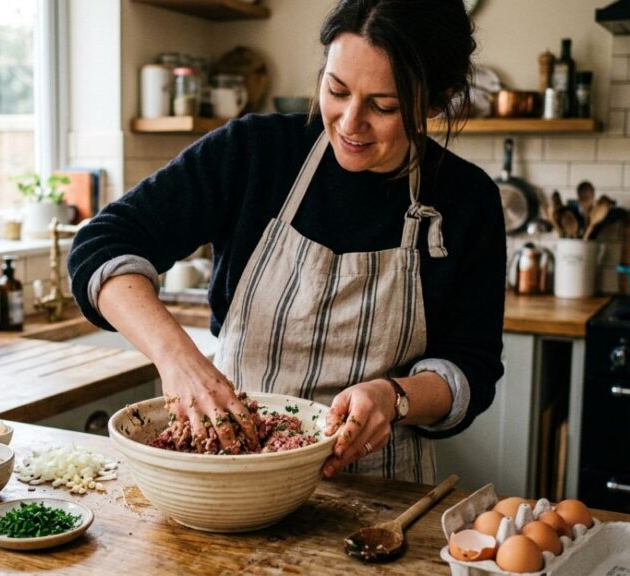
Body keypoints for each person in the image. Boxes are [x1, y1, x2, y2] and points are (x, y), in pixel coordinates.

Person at [69, 0, 505, 482]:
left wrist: (396, 397)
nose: (348, 122)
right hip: (233, 469)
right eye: (336, 89)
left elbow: (472, 367)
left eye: (384, 106)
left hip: (379, 489)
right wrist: (179, 361)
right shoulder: (254, 153)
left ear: (435, 102)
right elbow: (102, 244)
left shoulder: (467, 200)